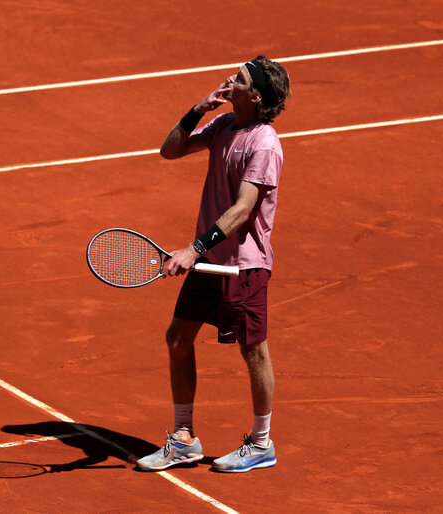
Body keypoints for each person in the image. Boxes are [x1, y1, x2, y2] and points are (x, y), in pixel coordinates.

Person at [136, 56, 291, 473]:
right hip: (210, 258)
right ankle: (183, 437)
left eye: (238, 78)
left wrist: (193, 249)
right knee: (177, 338)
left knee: (253, 351)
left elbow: (243, 209)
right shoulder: (224, 125)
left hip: (243, 266)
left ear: (255, 95)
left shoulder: (264, 143)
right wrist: (198, 109)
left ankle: (261, 443)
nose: (229, 79)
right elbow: (170, 151)